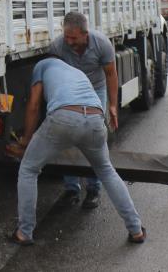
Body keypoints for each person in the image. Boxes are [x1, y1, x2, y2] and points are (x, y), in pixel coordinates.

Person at [9, 56, 146, 245]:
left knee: (28, 169)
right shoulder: (77, 72)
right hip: (96, 120)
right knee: (106, 171)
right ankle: (136, 229)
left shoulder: (42, 65)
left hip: (64, 117)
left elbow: (33, 106)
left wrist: (26, 141)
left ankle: (24, 233)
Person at [48, 11, 117, 208]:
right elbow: (52, 76)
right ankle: (71, 188)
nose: (69, 41)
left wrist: (112, 105)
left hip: (96, 88)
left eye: (73, 38)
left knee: (92, 137)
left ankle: (93, 188)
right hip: (68, 90)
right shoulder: (57, 46)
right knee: (66, 136)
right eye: (66, 36)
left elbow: (111, 75)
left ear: (85, 34)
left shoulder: (101, 44)